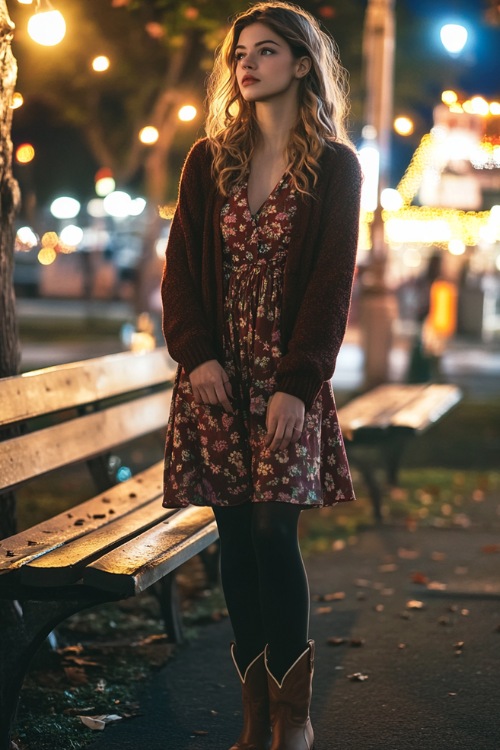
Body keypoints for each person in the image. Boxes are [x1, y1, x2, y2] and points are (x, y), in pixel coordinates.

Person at [161, 3, 361, 748]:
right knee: (237, 539)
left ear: (302, 65)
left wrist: (297, 382)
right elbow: (178, 271)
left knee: (276, 532)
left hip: (286, 380)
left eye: (267, 51)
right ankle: (254, 720)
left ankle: (294, 716)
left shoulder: (337, 167)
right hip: (215, 377)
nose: (247, 62)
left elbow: (331, 284)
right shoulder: (208, 159)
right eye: (240, 52)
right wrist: (196, 353)